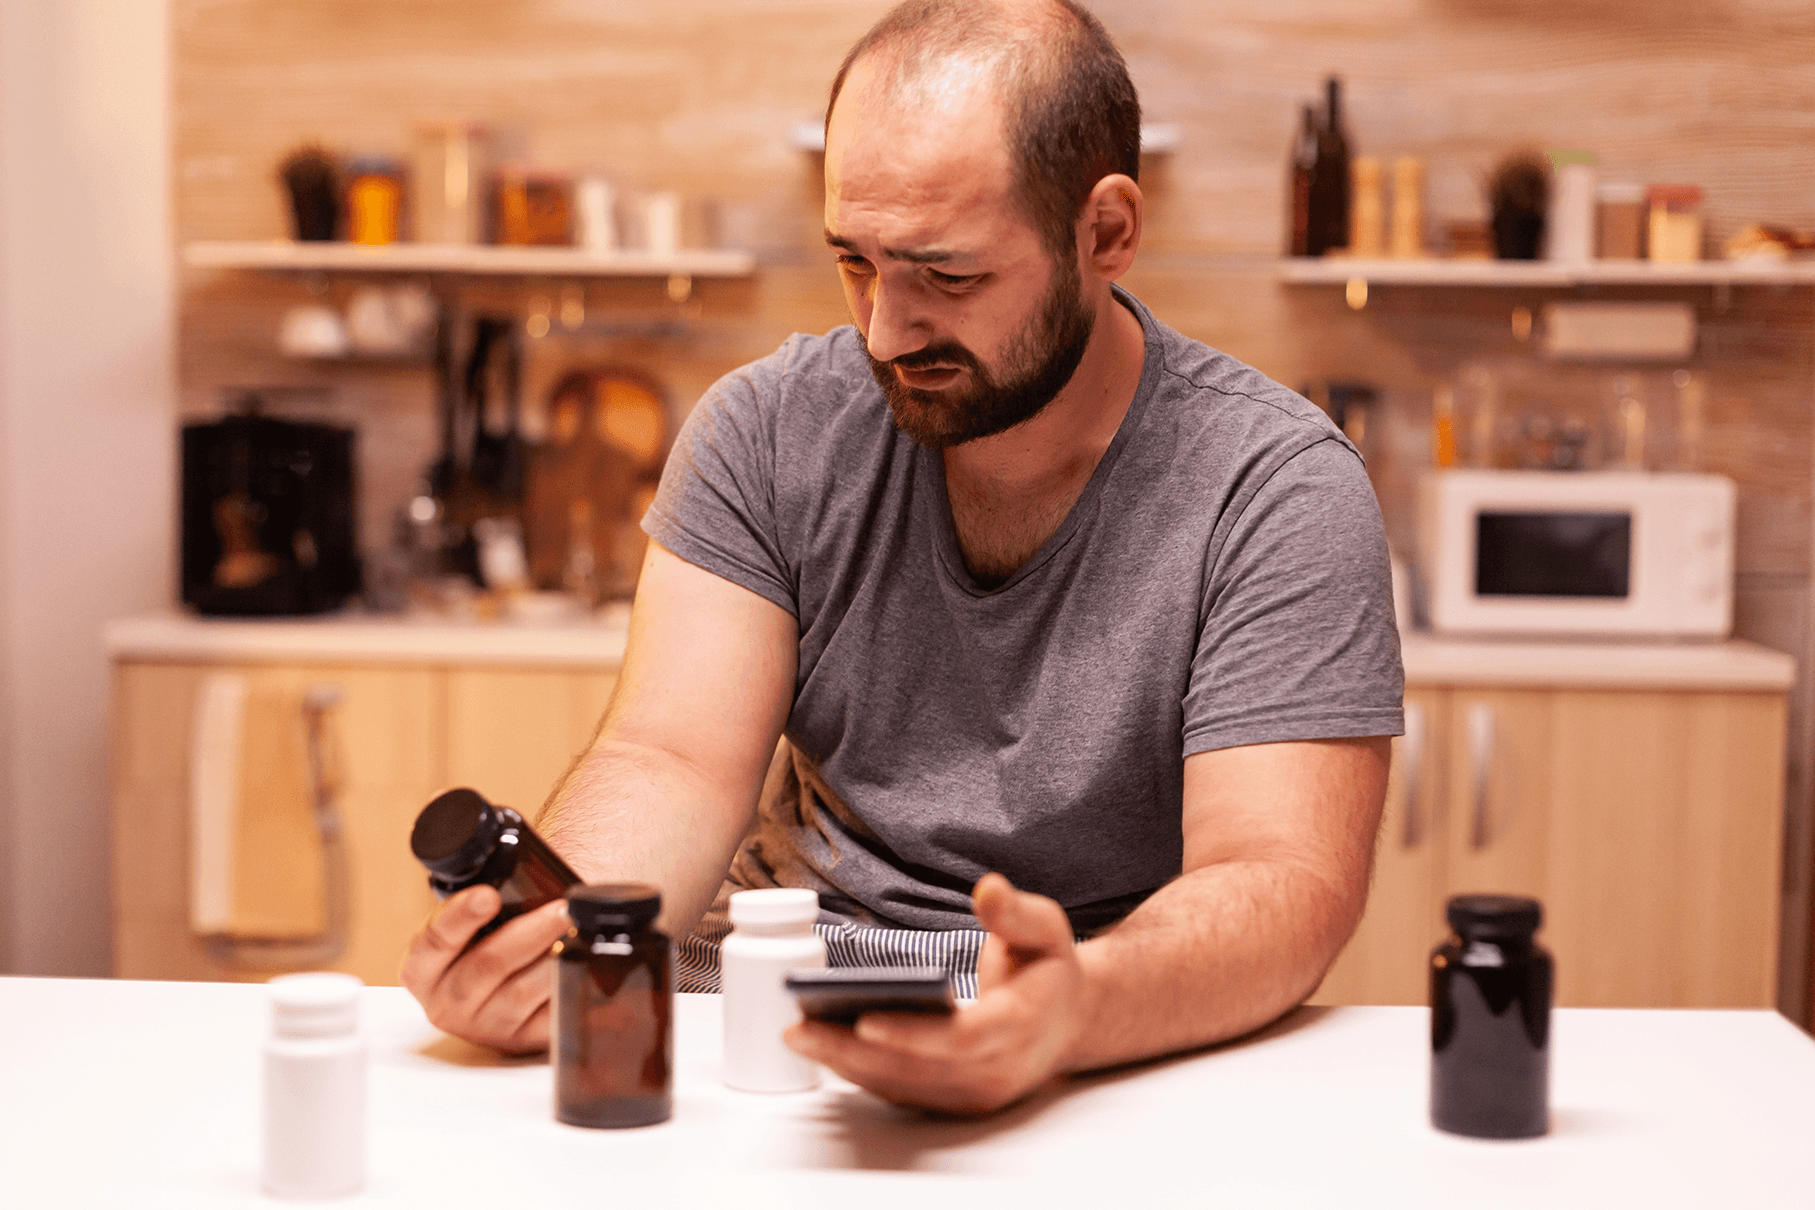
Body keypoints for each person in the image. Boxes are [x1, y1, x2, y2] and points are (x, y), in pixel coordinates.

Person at [402, 0, 1403, 1115]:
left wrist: (1072, 1007)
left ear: (1107, 232)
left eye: (948, 276)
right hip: (767, 986)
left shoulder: (1275, 485)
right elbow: (672, 760)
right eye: (856, 263)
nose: (884, 330)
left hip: (1100, 1022)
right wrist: (577, 941)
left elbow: (1277, 876)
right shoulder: (769, 429)